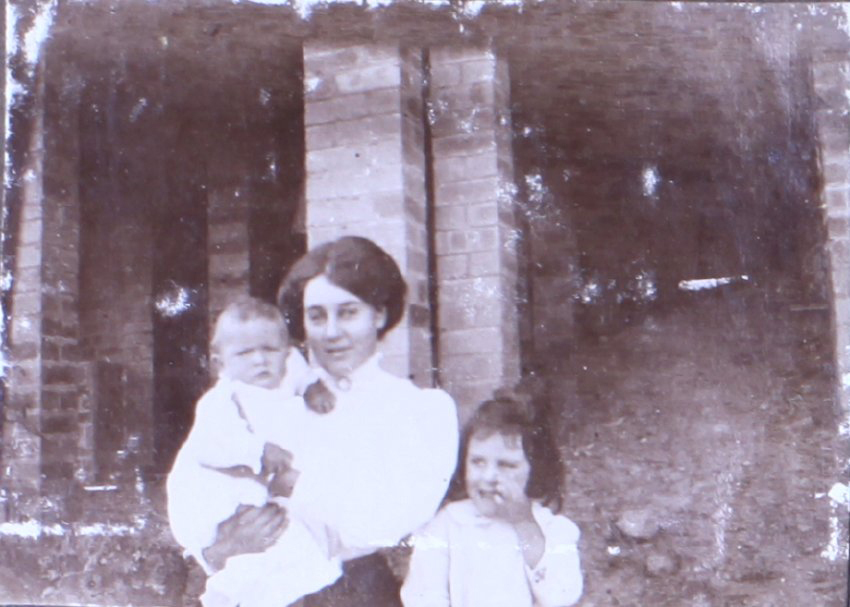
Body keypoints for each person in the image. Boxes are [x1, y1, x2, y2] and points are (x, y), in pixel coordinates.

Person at [199, 236, 459, 607]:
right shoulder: (265, 401)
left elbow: (379, 524)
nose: (332, 331)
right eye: (317, 316)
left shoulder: (420, 410)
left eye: (348, 312)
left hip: (353, 594)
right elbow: (206, 484)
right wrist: (218, 549)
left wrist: (284, 497)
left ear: (379, 314)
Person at [167, 296, 341, 607]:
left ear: (287, 353)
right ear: (221, 363)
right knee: (259, 550)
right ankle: (225, 595)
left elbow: (299, 373)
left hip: (258, 499)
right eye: (245, 353)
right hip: (210, 498)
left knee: (286, 551)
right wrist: (258, 450)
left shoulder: (285, 380)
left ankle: (258, 595)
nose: (260, 360)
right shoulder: (222, 399)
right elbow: (211, 447)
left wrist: (312, 387)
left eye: (270, 350)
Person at [400, 397, 583, 607]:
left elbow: (561, 596)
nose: (488, 476)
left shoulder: (553, 530)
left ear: (536, 470)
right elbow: (423, 595)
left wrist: (524, 523)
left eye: (506, 465)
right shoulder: (448, 524)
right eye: (478, 462)